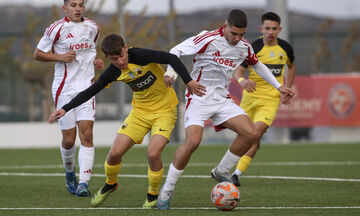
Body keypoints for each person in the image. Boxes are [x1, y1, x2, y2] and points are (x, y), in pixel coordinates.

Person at [156, 9, 295, 210]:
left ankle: (221, 170)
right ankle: (166, 191)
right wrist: (173, 74)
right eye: (234, 33)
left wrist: (279, 86)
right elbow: (175, 51)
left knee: (251, 133)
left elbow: (258, 65)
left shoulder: (244, 46)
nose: (237, 38)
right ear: (225, 26)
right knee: (193, 142)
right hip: (198, 97)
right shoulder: (208, 38)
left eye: (242, 34)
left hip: (222, 99)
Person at [48, 33, 206, 208]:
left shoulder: (140, 55)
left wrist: (188, 81)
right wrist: (65, 108)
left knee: (153, 153)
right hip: (139, 113)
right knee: (114, 153)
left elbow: (171, 57)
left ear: (125, 48)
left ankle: (153, 194)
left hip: (164, 112)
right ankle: (111, 183)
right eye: (114, 59)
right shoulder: (113, 72)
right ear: (107, 58)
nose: (120, 61)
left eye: (121, 56)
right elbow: (90, 91)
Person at [34, 0, 104, 197]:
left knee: (87, 135)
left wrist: (96, 61)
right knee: (69, 140)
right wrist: (60, 57)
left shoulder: (93, 27)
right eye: (73, 5)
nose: (78, 8)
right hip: (64, 89)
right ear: (64, 8)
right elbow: (38, 54)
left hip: (87, 88)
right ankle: (69, 173)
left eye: (81, 4)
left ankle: (84, 183)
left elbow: (91, 51)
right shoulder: (56, 28)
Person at [230, 12, 296, 186]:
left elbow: (291, 67)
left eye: (274, 28)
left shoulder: (285, 48)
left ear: (279, 29)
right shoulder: (254, 47)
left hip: (270, 100)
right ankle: (231, 165)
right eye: (267, 28)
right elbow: (237, 72)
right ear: (261, 29)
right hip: (250, 98)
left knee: (255, 134)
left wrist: (286, 88)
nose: (271, 32)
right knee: (245, 136)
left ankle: (235, 174)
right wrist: (243, 81)